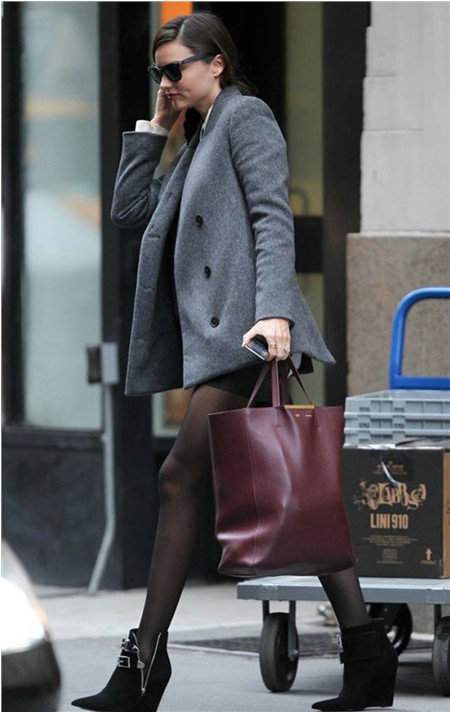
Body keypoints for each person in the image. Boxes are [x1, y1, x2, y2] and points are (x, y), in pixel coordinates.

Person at [72, 12, 397, 712]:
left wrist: (276, 309)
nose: (167, 81)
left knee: (178, 474)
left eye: (176, 68)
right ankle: (368, 651)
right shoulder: (194, 137)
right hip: (219, 337)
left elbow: (272, 217)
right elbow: (129, 211)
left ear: (216, 62)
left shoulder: (246, 118)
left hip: (249, 332)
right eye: (159, 71)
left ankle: (144, 663)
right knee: (296, 489)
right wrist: (155, 128)